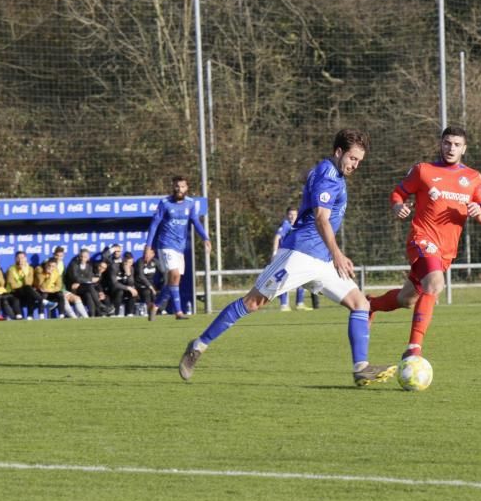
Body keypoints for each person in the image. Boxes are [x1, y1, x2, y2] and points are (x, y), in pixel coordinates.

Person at [179, 129, 395, 386]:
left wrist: (331, 254)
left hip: (322, 260)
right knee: (252, 303)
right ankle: (198, 346)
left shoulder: (333, 173)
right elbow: (321, 218)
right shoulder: (328, 176)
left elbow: (317, 197)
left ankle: (361, 367)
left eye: (359, 160)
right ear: (338, 152)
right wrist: (338, 253)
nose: (355, 165)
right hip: (299, 255)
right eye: (352, 158)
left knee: (360, 303)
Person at [367, 126, 481, 360]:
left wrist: (479, 212)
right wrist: (397, 206)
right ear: (440, 144)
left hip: (447, 250)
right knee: (435, 284)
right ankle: (413, 349)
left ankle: (369, 305)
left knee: (407, 299)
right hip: (422, 239)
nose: (451, 148)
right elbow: (398, 193)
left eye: (456, 144)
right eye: (447, 143)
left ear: (464, 149)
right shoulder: (423, 171)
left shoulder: (474, 178)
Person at [145, 175, 212, 320]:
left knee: (174, 281)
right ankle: (179, 312)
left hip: (180, 247)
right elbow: (154, 224)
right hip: (166, 244)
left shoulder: (190, 203)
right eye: (177, 186)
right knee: (174, 275)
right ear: (173, 187)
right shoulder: (164, 203)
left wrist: (205, 238)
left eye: (182, 187)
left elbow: (195, 221)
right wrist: (148, 246)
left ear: (186, 188)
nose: (179, 189)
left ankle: (155, 305)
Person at [272, 207, 311, 311]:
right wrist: (275, 252)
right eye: (290, 214)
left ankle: (300, 303)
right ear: (287, 215)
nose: (292, 216)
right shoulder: (286, 225)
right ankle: (284, 304)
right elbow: (277, 238)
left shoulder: (300, 224)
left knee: (301, 278)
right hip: (286, 256)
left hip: (297, 256)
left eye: (294, 214)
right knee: (284, 279)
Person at [6, 251, 56, 319]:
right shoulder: (11, 269)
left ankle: (30, 316)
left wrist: (24, 271)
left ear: (26, 259)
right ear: (15, 259)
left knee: (29, 291)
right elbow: (12, 285)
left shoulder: (30, 269)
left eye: (22, 258)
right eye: (18, 258)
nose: (20, 260)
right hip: (14, 291)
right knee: (28, 289)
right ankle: (43, 301)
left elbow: (29, 283)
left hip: (26, 290)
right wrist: (22, 286)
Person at [66, 248, 108, 317]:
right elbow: (75, 277)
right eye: (81, 256)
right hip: (73, 288)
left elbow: (90, 277)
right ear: (79, 256)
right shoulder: (73, 264)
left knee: (88, 294)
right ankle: (99, 305)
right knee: (89, 287)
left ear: (88, 258)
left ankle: (92, 316)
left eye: (85, 257)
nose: (83, 258)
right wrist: (89, 279)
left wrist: (84, 281)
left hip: (84, 287)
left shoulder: (89, 265)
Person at [134, 246, 160, 321]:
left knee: (161, 293)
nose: (146, 255)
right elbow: (141, 276)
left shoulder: (155, 261)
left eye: (148, 253)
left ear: (153, 254)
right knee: (147, 292)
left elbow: (163, 272)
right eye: (144, 253)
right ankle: (150, 313)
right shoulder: (140, 261)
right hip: (140, 284)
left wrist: (165, 283)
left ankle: (158, 311)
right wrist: (150, 287)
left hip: (151, 284)